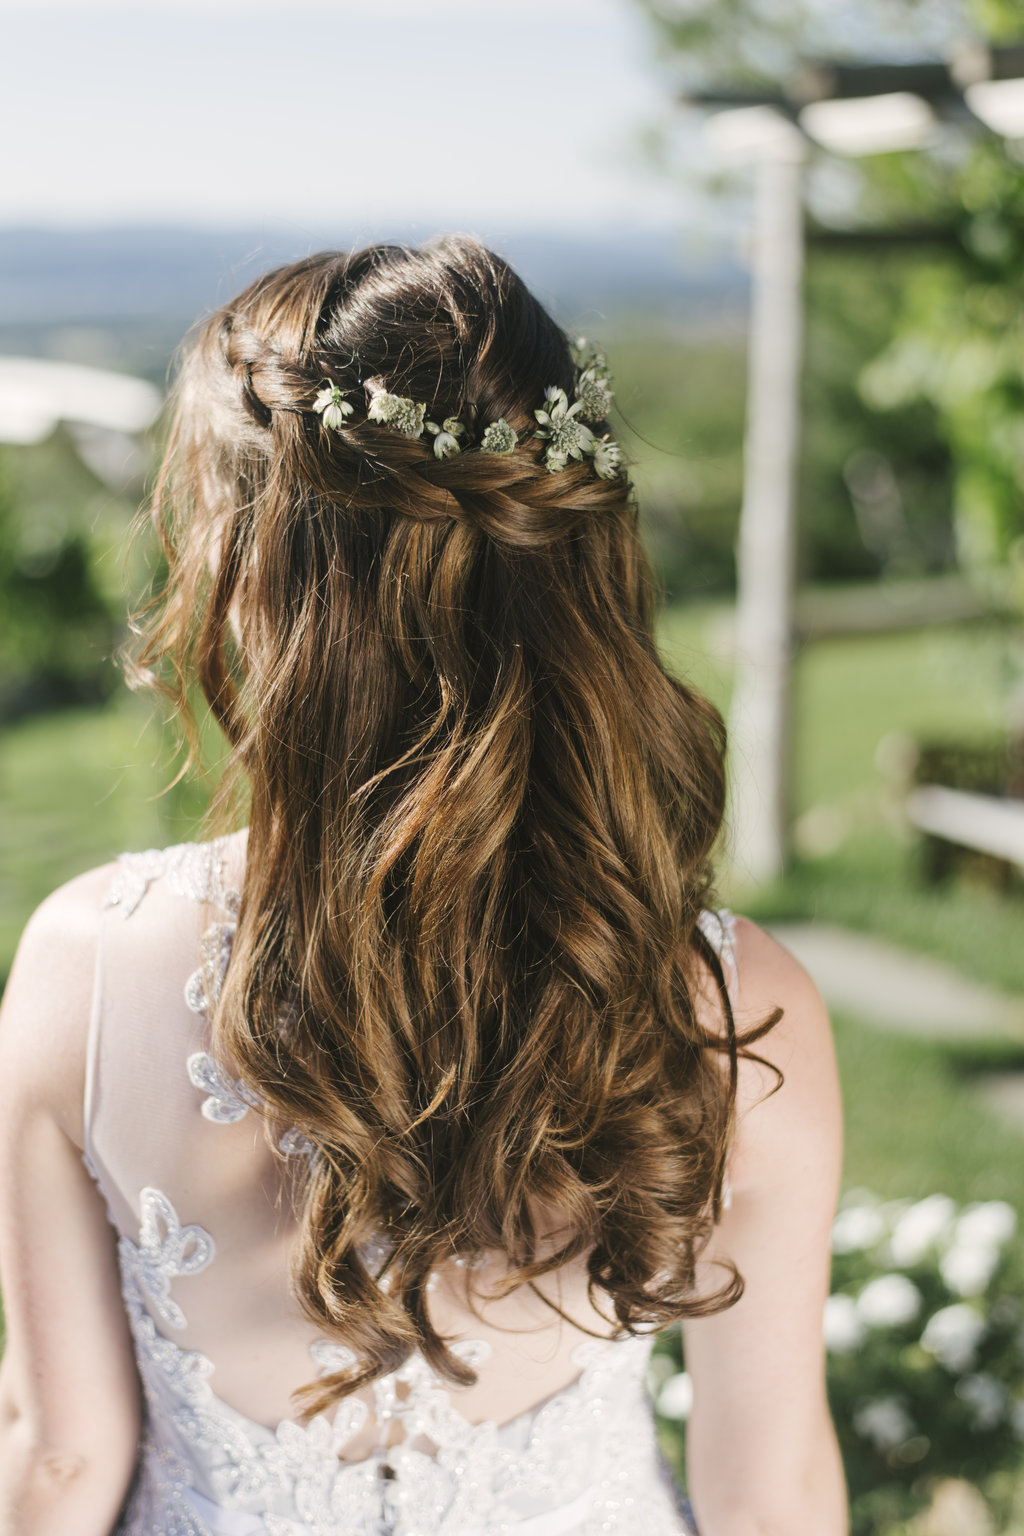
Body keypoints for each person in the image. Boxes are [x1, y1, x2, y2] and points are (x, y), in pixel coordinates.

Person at [0, 236, 847, 1536]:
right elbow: (772, 1488)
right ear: (577, 560)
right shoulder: (735, 1009)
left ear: (248, 580)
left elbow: (62, 1458)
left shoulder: (90, 969)